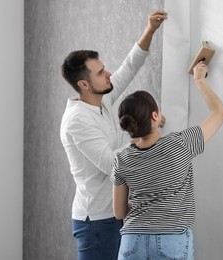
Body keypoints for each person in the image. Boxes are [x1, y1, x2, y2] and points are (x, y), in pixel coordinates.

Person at [60, 10, 168, 260]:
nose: (108, 74)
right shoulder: (77, 121)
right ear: (83, 85)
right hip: (96, 222)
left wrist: (150, 29)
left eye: (104, 68)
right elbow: (113, 165)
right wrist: (146, 134)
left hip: (115, 213)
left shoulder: (101, 101)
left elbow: (130, 65)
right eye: (100, 73)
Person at [111, 61, 223, 260]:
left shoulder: (121, 159)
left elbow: (119, 212)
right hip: (171, 242)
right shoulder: (180, 144)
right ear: (155, 115)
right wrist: (199, 80)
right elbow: (220, 113)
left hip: (132, 243)